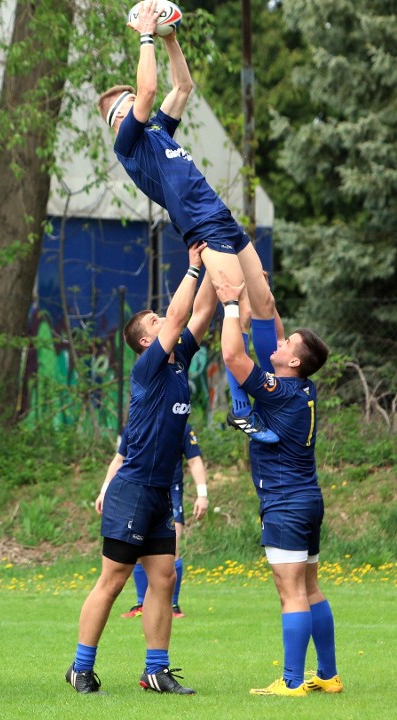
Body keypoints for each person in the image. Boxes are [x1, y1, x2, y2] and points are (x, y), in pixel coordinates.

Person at [97, 0, 279, 444]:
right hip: (202, 226)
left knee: (265, 305)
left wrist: (171, 38)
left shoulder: (158, 130)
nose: (129, 111)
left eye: (126, 108)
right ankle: (242, 405)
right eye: (120, 111)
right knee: (234, 303)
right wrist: (144, 33)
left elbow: (184, 85)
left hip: (222, 217)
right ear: (117, 122)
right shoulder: (129, 145)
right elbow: (145, 92)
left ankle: (279, 388)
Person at [66, 241, 214, 696]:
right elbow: (177, 317)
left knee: (163, 580)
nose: (164, 320)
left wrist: (216, 259)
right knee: (112, 581)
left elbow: (202, 313)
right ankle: (80, 667)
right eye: (155, 321)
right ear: (147, 341)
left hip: (160, 493)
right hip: (131, 489)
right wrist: (192, 267)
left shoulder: (179, 361)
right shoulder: (148, 367)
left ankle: (156, 670)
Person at [214, 272, 340, 697]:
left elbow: (233, 355)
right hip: (307, 499)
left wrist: (230, 305)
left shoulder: (279, 391)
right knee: (308, 586)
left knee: (290, 592)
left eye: (287, 346)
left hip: (285, 502)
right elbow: (273, 327)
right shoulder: (302, 387)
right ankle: (327, 675)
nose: (279, 344)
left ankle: (291, 682)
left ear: (294, 363)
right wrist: (254, 292)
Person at [98, 423, 208, 619]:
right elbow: (119, 459)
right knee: (139, 553)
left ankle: (172, 605)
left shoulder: (179, 423)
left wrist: (202, 494)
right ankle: (141, 603)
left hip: (169, 493)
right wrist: (104, 490)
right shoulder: (136, 424)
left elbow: (194, 460)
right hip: (138, 494)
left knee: (172, 549)